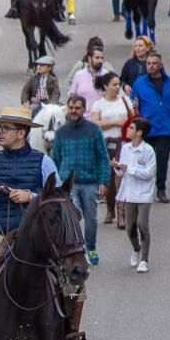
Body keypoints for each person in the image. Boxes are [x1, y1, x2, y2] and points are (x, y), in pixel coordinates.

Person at [0, 106, 93, 340]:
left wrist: (30, 196)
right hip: (2, 231)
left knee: (75, 278)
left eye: (5, 128)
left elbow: (60, 197)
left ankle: (73, 336)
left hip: (38, 237)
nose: (0, 132)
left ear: (21, 133)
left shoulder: (43, 161)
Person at [51, 94, 111, 265]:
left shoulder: (94, 130)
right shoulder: (61, 132)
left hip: (90, 182)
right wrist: (53, 183)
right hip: (67, 184)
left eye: (77, 108)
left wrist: (103, 181)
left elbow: (102, 157)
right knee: (72, 217)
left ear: (83, 109)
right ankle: (74, 251)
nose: (73, 111)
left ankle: (91, 247)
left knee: (91, 219)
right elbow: (54, 158)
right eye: (71, 108)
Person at [130, 51, 170, 203]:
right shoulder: (139, 83)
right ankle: (144, 188)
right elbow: (132, 102)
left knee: (162, 158)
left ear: (161, 65)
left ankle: (161, 188)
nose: (151, 66)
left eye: (154, 63)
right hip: (147, 127)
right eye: (148, 63)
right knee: (144, 159)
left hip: (165, 128)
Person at [112, 117, 156, 272]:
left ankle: (144, 259)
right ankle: (136, 248)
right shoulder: (125, 148)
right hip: (129, 192)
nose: (127, 130)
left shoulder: (148, 150)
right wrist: (117, 167)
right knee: (130, 227)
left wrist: (128, 168)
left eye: (131, 128)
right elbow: (121, 171)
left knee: (142, 224)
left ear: (139, 132)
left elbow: (149, 173)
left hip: (144, 193)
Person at [91, 72, 133, 227]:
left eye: (118, 84)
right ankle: (110, 209)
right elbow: (95, 122)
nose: (117, 87)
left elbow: (132, 119)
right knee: (108, 181)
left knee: (121, 180)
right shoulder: (99, 104)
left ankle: (121, 214)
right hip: (106, 145)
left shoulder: (125, 100)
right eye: (114, 85)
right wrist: (117, 122)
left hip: (124, 144)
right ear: (105, 86)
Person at [69, 45, 108, 120]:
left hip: (101, 120)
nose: (100, 61)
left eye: (102, 58)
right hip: (82, 120)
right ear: (89, 59)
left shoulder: (106, 75)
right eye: (97, 58)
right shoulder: (79, 75)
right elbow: (72, 97)